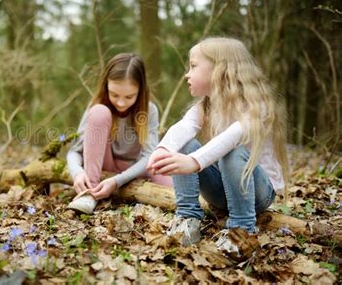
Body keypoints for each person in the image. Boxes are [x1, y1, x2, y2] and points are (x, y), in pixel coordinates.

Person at [147, 37, 289, 254]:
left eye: (194, 66)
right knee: (184, 143)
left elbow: (233, 136)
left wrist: (194, 162)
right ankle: (187, 218)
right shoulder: (207, 105)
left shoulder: (256, 106)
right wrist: (163, 150)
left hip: (258, 193)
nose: (187, 74)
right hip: (221, 190)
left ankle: (242, 230)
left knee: (233, 151)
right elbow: (184, 126)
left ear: (220, 70)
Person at [67, 53, 172, 214]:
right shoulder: (96, 108)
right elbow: (75, 150)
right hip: (104, 164)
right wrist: (77, 173)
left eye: (129, 96)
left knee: (174, 191)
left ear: (140, 90)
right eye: (114, 95)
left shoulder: (149, 110)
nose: (121, 103)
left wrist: (117, 181)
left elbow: (149, 156)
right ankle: (90, 194)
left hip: (134, 170)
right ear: (106, 86)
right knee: (99, 111)